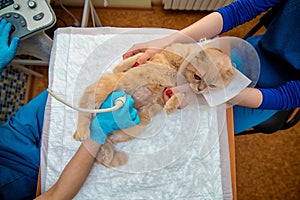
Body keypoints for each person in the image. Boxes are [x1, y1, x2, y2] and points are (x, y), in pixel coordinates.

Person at [0, 19, 140, 199]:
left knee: (77, 86)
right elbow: (56, 195)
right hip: (31, 177)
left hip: (13, 134)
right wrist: (98, 132)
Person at [123, 0, 300, 134]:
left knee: (203, 129)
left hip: (270, 95)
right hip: (253, 53)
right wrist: (167, 42)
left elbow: (290, 95)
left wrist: (214, 91)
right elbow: (241, 9)